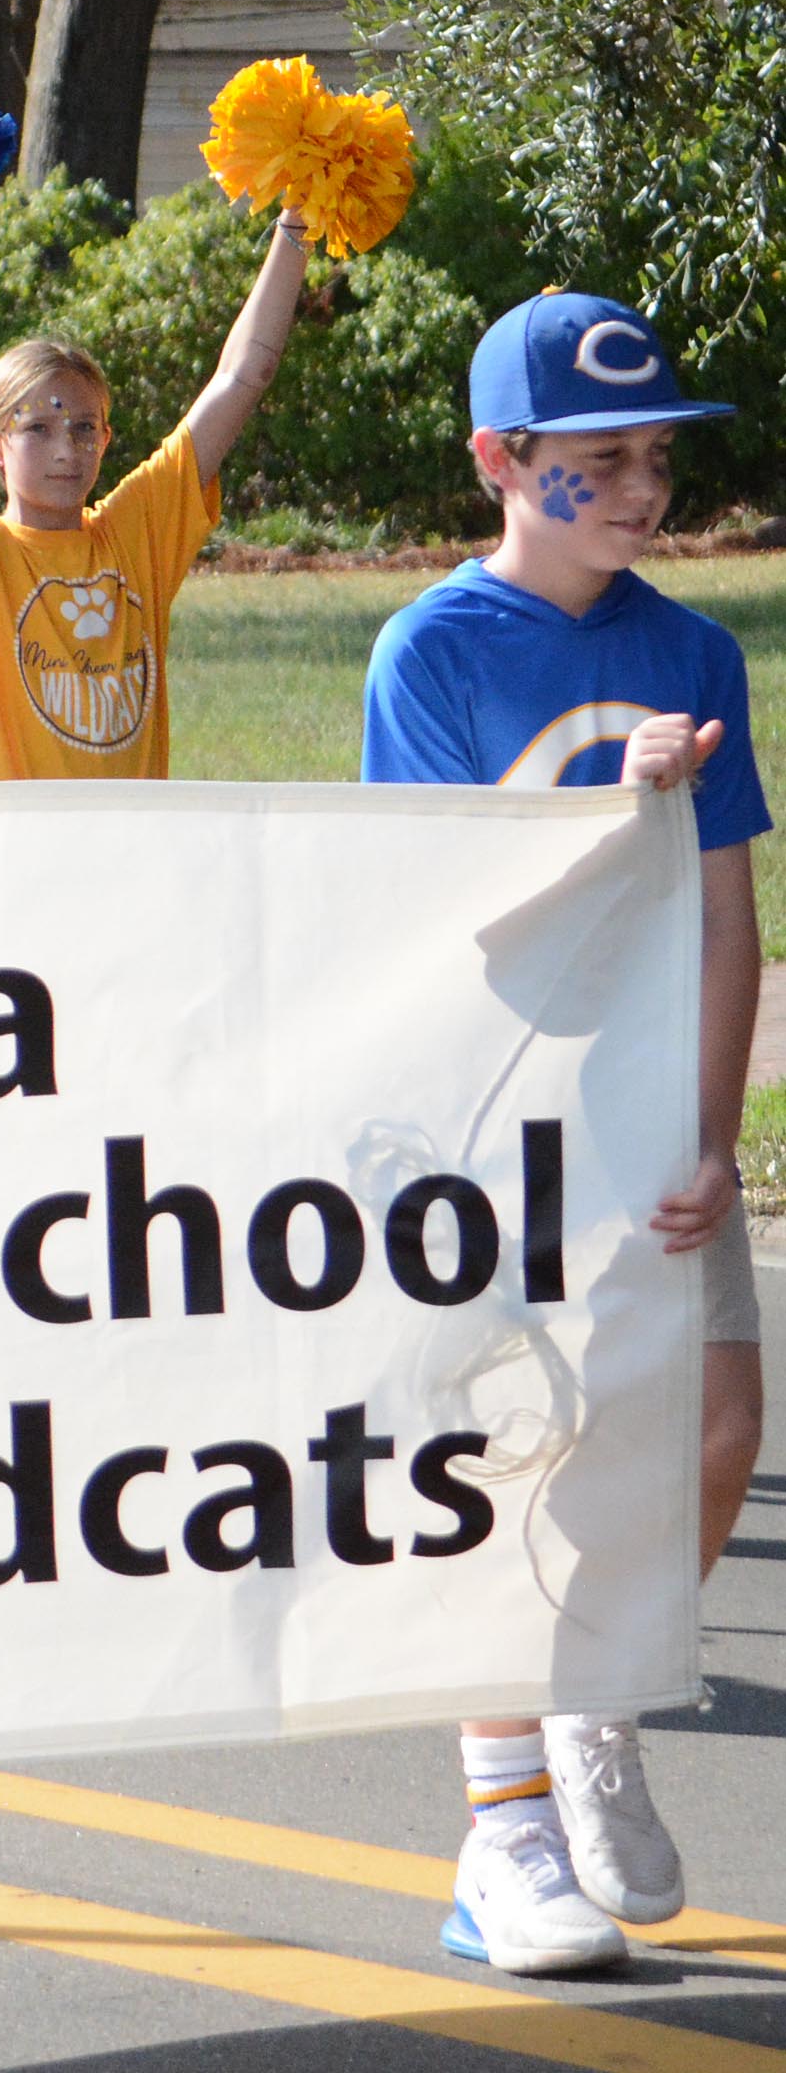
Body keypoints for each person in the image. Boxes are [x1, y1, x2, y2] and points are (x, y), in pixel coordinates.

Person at [361, 289, 765, 1978]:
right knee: (510, 1456)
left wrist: (708, 1131)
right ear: (498, 461)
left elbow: (728, 916)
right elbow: (430, 910)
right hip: (494, 1117)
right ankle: (502, 1828)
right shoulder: (431, 653)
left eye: (655, 457)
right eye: (598, 460)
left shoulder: (691, 652)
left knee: (715, 1424)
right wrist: (613, 806)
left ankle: (591, 1686)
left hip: (648, 1106)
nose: (639, 488)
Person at [0, 212, 312, 779]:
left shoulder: (138, 535)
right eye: (38, 429)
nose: (66, 450)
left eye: (84, 428)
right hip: (26, 838)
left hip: (142, 837)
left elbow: (246, 373)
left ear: (106, 438)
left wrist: (296, 227)